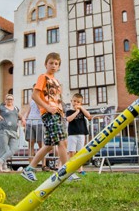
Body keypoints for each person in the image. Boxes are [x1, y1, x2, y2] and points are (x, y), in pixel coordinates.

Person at [20, 53, 72, 182]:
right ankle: (66, 172)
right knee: (61, 141)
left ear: (59, 66)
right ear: (46, 64)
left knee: (49, 145)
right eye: (51, 63)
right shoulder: (43, 77)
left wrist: (62, 112)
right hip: (49, 114)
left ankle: (29, 169)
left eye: (56, 64)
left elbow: (57, 99)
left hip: (57, 114)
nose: (53, 66)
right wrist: (47, 107)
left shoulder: (56, 82)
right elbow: (34, 96)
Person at [0, 94, 25, 172]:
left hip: (14, 131)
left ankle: (0, 162)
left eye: (11, 99)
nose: (10, 100)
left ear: (13, 100)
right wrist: (0, 116)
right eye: (8, 99)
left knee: (14, 148)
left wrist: (23, 119)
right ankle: (3, 167)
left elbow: (20, 115)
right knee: (3, 149)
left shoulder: (15, 108)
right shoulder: (1, 107)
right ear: (5, 100)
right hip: (3, 130)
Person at [65, 93, 92, 175]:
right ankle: (71, 169)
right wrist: (76, 112)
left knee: (79, 152)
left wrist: (81, 108)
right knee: (71, 152)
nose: (76, 103)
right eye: (74, 101)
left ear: (81, 103)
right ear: (71, 101)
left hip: (81, 134)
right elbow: (69, 119)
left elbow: (89, 116)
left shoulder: (82, 111)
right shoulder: (69, 111)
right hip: (72, 134)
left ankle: (80, 169)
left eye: (78, 102)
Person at [22, 97, 50, 171]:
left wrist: (37, 99)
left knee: (41, 144)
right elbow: (29, 110)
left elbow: (42, 109)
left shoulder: (43, 99)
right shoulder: (31, 100)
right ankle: (31, 165)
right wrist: (25, 119)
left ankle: (43, 165)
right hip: (30, 122)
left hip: (40, 123)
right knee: (30, 144)